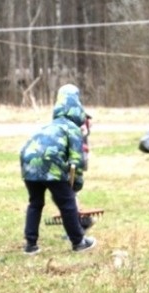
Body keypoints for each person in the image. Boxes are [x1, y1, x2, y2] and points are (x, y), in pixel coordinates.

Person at [20, 83, 96, 254]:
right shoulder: (73, 129)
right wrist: (75, 187)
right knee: (67, 203)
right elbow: (76, 161)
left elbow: (27, 148)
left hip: (28, 164)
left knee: (35, 203)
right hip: (51, 164)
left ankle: (30, 245)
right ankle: (79, 242)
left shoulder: (49, 126)